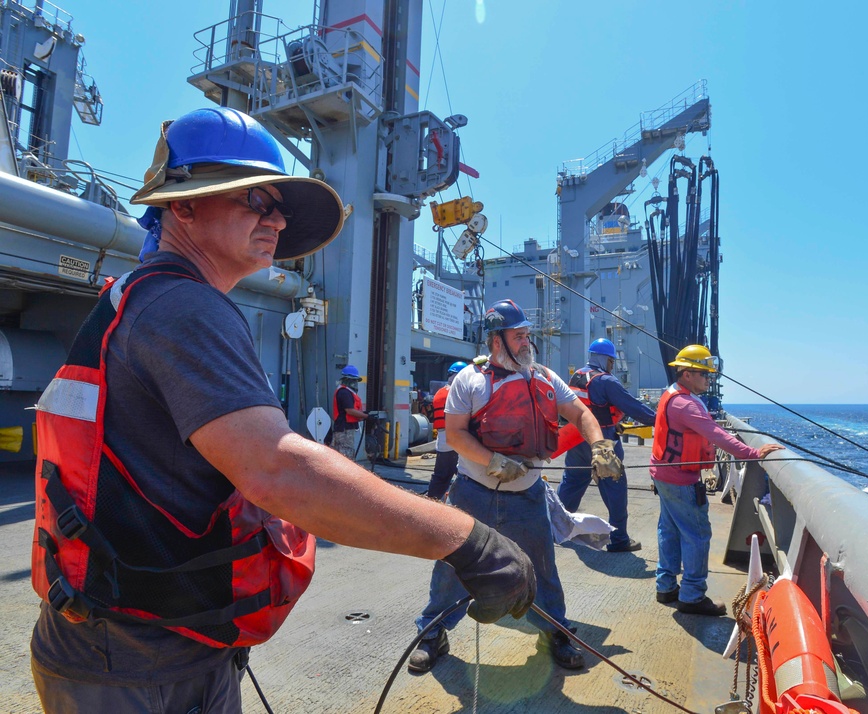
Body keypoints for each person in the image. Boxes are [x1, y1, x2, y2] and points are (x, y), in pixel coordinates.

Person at [29, 107, 535, 713]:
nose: (275, 219)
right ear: (184, 205)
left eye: (279, 208)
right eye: (256, 200)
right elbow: (276, 469)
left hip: (120, 642)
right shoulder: (185, 309)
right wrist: (465, 538)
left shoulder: (138, 299)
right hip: (141, 664)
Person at [408, 300, 623, 673]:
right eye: (518, 336)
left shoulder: (544, 377)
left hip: (528, 496)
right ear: (496, 340)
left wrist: (600, 446)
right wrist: (492, 462)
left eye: (527, 335)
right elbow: (456, 434)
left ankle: (555, 629)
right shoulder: (469, 381)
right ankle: (433, 632)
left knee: (542, 567)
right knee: (452, 566)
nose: (527, 343)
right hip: (473, 494)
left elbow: (581, 414)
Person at [650, 345, 784, 616]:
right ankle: (692, 596)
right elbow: (716, 435)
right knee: (697, 535)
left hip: (663, 474)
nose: (709, 380)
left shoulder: (672, 395)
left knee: (670, 530)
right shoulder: (686, 404)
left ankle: (666, 587)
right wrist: (753, 453)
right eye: (704, 375)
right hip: (680, 479)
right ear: (687, 374)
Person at [557, 338, 657, 552]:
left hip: (576, 439)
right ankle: (619, 539)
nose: (612, 366)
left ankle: (556, 529)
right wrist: (661, 419)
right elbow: (634, 407)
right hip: (603, 443)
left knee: (571, 485)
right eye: (611, 361)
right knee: (615, 489)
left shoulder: (577, 376)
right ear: (604, 359)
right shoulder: (606, 381)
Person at [426, 361, 468, 500]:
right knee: (465, 475)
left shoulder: (441, 391)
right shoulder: (456, 392)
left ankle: (433, 500)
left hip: (443, 438)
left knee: (442, 474)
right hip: (455, 438)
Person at [330, 365, 368, 458]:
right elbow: (349, 410)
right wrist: (366, 416)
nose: (355, 383)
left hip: (345, 428)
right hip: (344, 429)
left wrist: (363, 414)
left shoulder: (346, 392)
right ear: (347, 380)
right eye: (353, 380)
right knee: (345, 454)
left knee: (342, 452)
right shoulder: (344, 393)